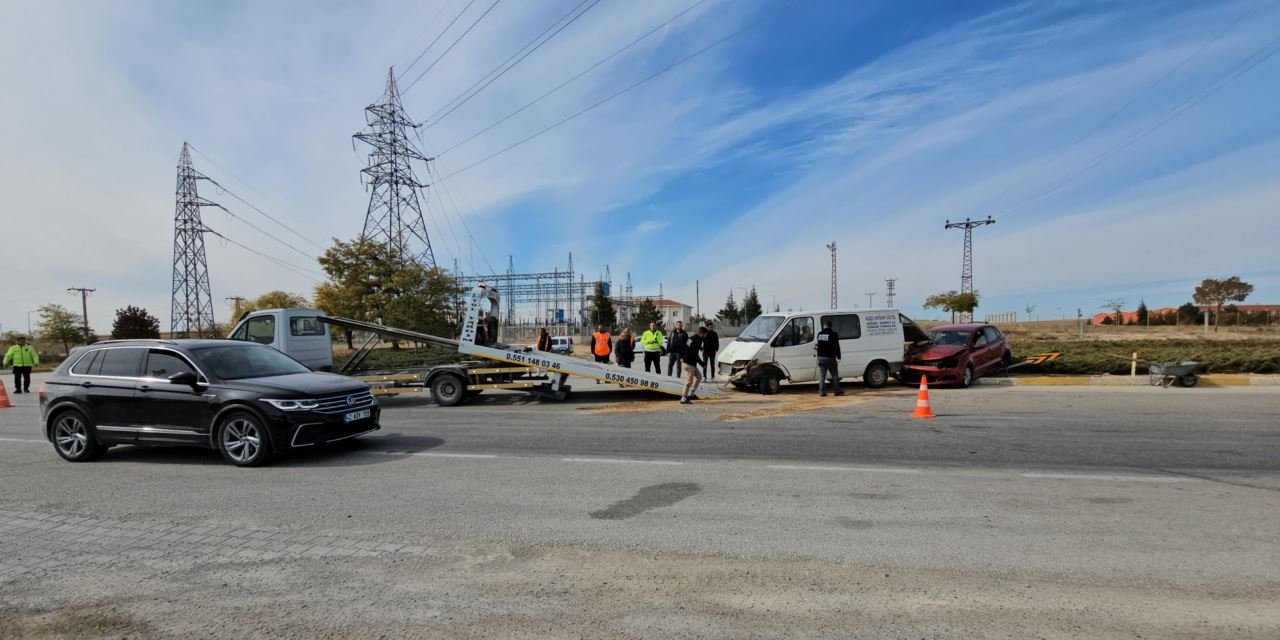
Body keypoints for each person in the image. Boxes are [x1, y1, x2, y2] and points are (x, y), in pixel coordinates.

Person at [814, 319, 843, 397]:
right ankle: (837, 391)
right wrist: (839, 357)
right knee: (834, 375)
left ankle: (822, 392)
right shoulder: (834, 334)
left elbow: (817, 345)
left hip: (820, 357)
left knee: (821, 376)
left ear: (824, 326)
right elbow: (836, 346)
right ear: (831, 326)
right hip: (830, 358)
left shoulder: (819, 334)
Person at [680, 326, 707, 404]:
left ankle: (691, 394)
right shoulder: (696, 341)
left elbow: (684, 348)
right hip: (689, 363)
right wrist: (702, 364)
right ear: (701, 334)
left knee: (699, 377)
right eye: (705, 334)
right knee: (688, 381)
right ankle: (683, 398)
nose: (705, 336)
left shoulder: (691, 338)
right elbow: (695, 355)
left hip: (690, 363)